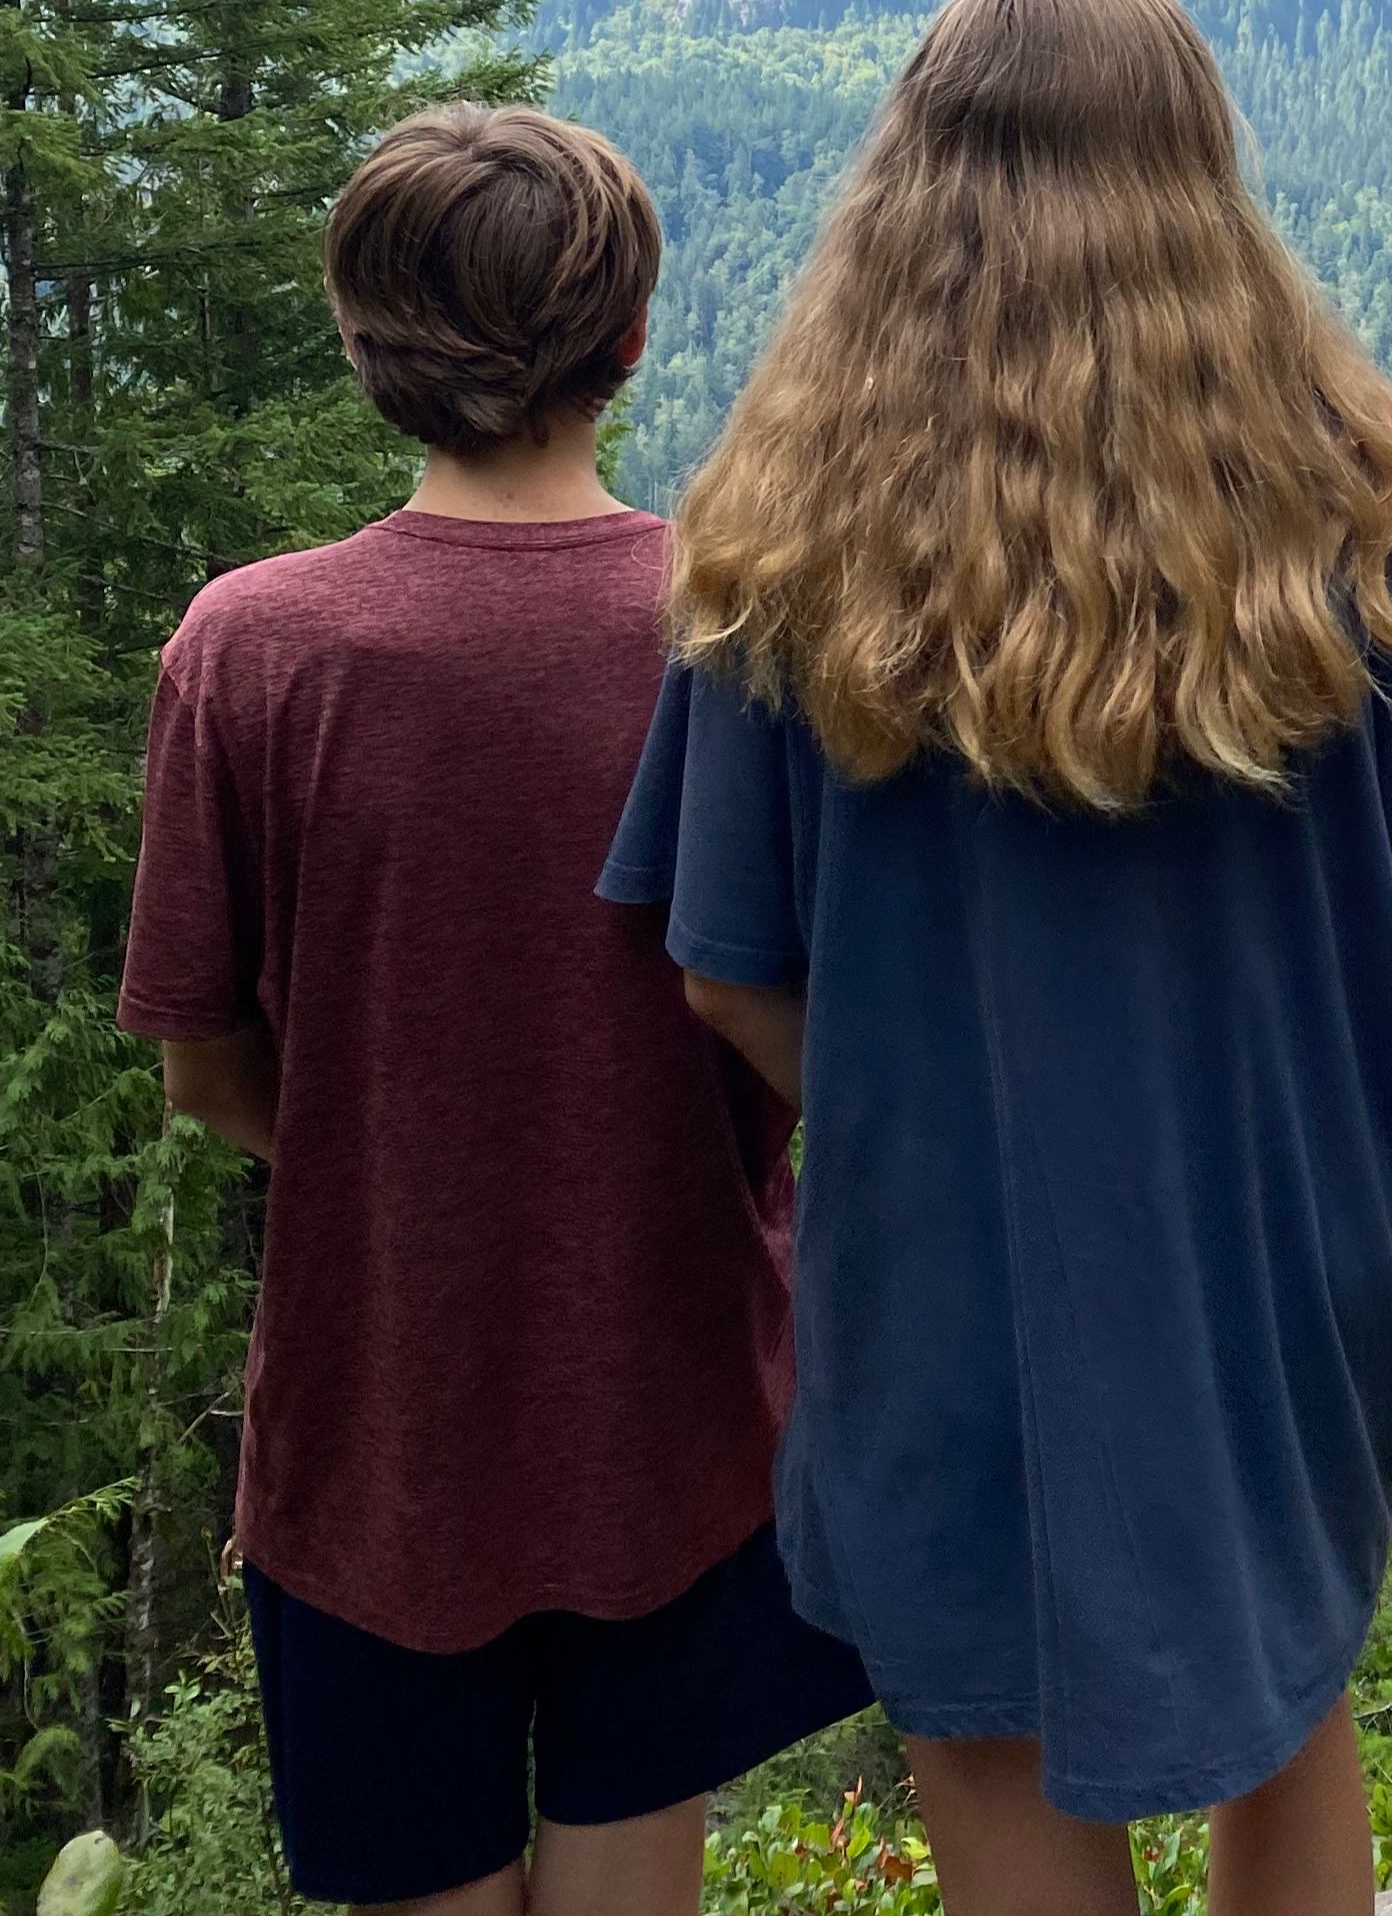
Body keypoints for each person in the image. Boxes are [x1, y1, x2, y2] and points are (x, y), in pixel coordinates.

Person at [602, 0, 1392, 1916]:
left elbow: (725, 968)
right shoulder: (1362, 523)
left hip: (950, 1285)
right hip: (1286, 1262)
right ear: (1199, 168)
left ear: (905, 184)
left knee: (990, 1750)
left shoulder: (778, 546)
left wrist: (942, 1100)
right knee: (1296, 1696)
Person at [117, 105, 872, 1916]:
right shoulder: (741, 629)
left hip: (379, 1432)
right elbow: (815, 1017)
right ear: (626, 340)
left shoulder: (254, 650)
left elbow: (205, 1066)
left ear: (373, 352)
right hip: (680, 1409)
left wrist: (409, 1144)